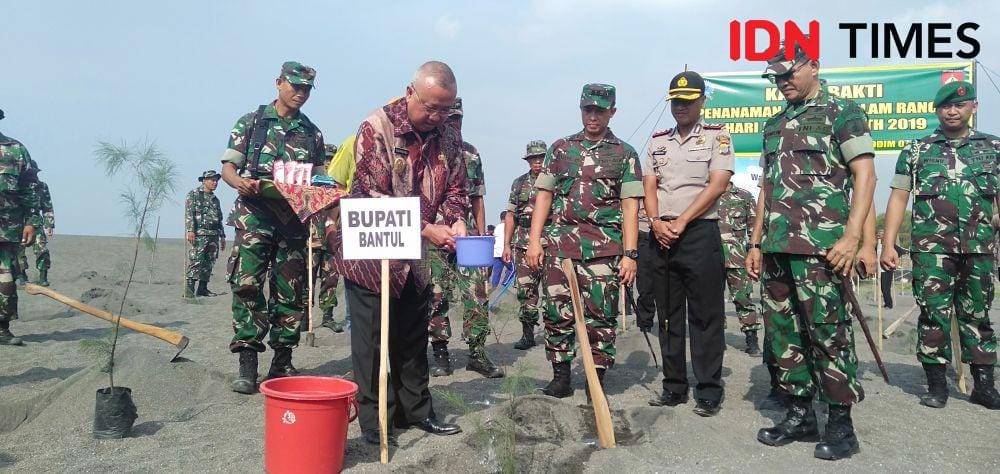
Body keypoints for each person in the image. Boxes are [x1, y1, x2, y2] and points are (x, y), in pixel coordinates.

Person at [746, 45, 876, 460]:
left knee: (829, 333)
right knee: (783, 334)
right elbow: (767, 188)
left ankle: (841, 425)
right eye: (776, 77)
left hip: (823, 249)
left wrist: (853, 238)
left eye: (789, 73)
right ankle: (800, 414)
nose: (782, 82)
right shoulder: (773, 124)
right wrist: (755, 242)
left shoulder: (842, 113)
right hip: (776, 248)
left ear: (814, 67)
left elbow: (865, 175)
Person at [330, 61, 464, 446]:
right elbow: (371, 193)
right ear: (410, 93)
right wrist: (426, 227)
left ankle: (416, 412)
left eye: (446, 109)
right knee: (372, 341)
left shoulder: (448, 135)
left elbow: (456, 187)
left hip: (415, 258)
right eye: (431, 107)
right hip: (371, 253)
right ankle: (376, 421)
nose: (437, 117)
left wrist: (455, 220)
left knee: (411, 337)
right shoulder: (377, 127)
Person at [880, 80, 1000, 411]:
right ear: (937, 111)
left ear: (973, 107)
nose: (952, 111)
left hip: (979, 248)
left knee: (977, 315)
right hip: (931, 250)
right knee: (933, 316)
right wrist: (888, 244)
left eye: (960, 105)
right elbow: (899, 197)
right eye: (946, 106)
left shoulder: (993, 147)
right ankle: (936, 385)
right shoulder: (917, 150)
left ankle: (984, 386)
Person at [526, 84, 642, 398]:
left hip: (604, 248)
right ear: (581, 110)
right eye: (588, 110)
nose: (593, 116)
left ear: (612, 112)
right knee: (556, 311)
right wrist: (535, 241)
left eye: (600, 111)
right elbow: (544, 196)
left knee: (600, 315)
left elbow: (630, 205)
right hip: (560, 246)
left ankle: (596, 379)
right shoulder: (560, 149)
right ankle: (561, 377)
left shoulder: (624, 154)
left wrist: (630, 254)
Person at [219, 61, 325, 394]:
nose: (300, 93)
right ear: (279, 82)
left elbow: (319, 179)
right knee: (247, 285)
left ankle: (282, 361)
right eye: (295, 86)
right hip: (254, 217)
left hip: (293, 221)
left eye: (306, 88)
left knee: (291, 291)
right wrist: (240, 183)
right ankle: (247, 362)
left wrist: (324, 196)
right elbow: (228, 168)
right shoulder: (252, 123)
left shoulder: (311, 133)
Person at [641, 71, 733, 417]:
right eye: (676, 101)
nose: (681, 106)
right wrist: (655, 222)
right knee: (668, 315)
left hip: (698, 233)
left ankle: (708, 389)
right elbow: (649, 185)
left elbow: (717, 184)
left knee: (706, 315)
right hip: (662, 235)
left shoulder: (717, 137)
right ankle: (674, 386)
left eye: (688, 100)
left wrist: (681, 221)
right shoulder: (657, 141)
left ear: (702, 101)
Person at [427, 98, 503, 379]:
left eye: (457, 119)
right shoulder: (427, 150)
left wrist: (483, 236)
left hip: (468, 237)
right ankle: (440, 353)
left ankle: (477, 353)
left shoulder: (471, 154)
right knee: (436, 295)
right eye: (449, 119)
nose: (453, 124)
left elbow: (477, 198)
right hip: (435, 236)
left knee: (477, 294)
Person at [0, 107, 41, 346]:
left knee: (5, 279)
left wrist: (31, 221)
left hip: (7, 228)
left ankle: (2, 328)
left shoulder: (15, 150)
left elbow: (31, 188)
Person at [503, 140, 548, 350]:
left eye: (541, 158)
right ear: (528, 161)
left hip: (549, 243)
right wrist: (506, 244)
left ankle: (555, 335)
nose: (537, 162)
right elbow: (511, 215)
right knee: (526, 291)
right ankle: (528, 334)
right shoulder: (519, 183)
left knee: (554, 292)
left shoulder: (555, 181)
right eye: (533, 158)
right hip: (523, 244)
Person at [718, 182, 761, 355]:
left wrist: (755, 251)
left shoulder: (744, 196)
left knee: (743, 299)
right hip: (711, 258)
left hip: (738, 259)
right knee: (711, 301)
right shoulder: (706, 195)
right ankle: (716, 339)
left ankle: (752, 338)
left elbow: (754, 227)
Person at [314, 143, 344, 333]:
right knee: (306, 279)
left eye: (331, 158)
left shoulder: (338, 186)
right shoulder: (309, 184)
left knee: (331, 278)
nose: (327, 162)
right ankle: (303, 317)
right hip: (311, 238)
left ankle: (328, 315)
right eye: (325, 159)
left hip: (332, 239)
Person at [184, 170, 226, 298]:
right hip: (200, 233)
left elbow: (219, 219)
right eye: (212, 180)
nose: (215, 183)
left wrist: (222, 236)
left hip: (214, 234)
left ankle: (202, 289)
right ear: (204, 181)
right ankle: (189, 290)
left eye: (216, 180)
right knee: (196, 260)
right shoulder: (194, 195)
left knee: (209, 261)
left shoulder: (215, 199)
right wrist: (190, 230)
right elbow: (189, 213)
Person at [16, 170, 53, 287]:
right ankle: (22, 277)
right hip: (18, 223)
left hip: (36, 223)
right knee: (18, 251)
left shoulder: (42, 187)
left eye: (34, 173)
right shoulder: (15, 187)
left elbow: (47, 206)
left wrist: (49, 224)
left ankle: (43, 277)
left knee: (42, 250)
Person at [490, 212, 513, 288]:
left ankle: (494, 287)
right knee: (512, 269)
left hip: (496, 253)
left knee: (496, 272)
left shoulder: (497, 227)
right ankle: (505, 284)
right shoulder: (507, 227)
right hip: (504, 252)